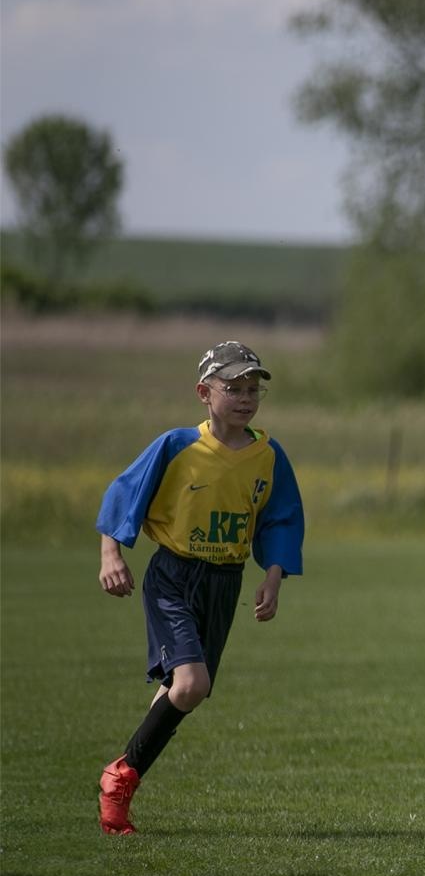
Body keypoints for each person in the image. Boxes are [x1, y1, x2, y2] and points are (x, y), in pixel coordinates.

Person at [95, 341, 305, 834]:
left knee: (183, 692)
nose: (245, 397)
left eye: (253, 388)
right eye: (232, 388)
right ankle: (120, 776)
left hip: (224, 581)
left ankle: (121, 781)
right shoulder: (177, 446)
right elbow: (123, 495)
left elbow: (281, 520)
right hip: (173, 575)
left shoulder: (267, 455)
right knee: (192, 684)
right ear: (203, 393)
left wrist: (273, 577)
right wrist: (111, 555)